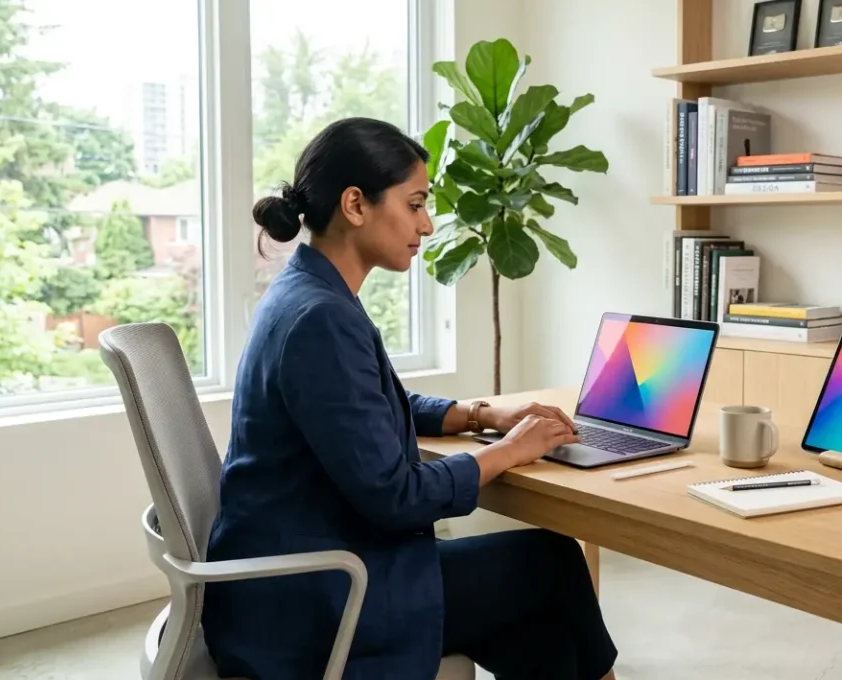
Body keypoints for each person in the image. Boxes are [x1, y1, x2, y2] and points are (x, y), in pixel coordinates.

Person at [201, 117, 619, 680]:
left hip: (299, 573)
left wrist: (481, 414)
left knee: (539, 623)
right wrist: (509, 449)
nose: (426, 224)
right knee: (552, 563)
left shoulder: (306, 291)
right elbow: (395, 496)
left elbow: (370, 402)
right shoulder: (321, 316)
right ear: (355, 205)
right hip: (318, 599)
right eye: (416, 203)